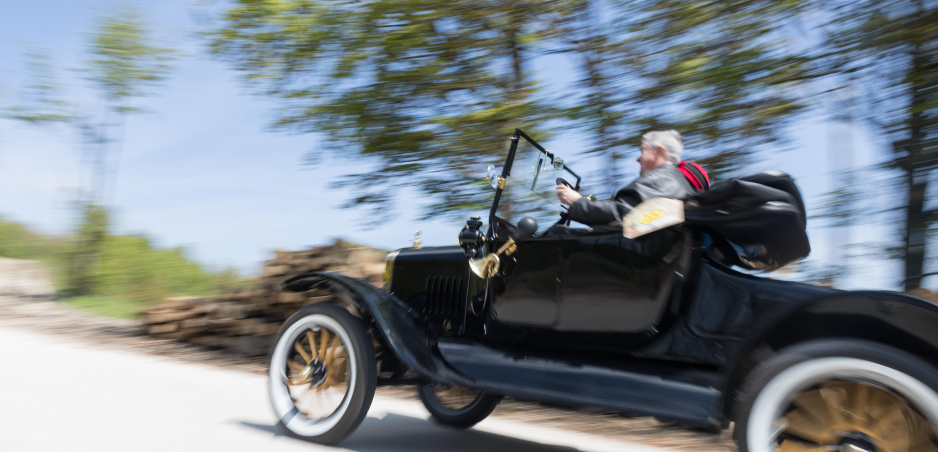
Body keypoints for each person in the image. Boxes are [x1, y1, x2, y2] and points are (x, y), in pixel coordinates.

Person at [556, 130, 697, 227]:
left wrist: (577, 202)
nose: (638, 158)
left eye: (642, 150)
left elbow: (621, 214)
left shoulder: (659, 179)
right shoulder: (679, 182)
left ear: (659, 151)